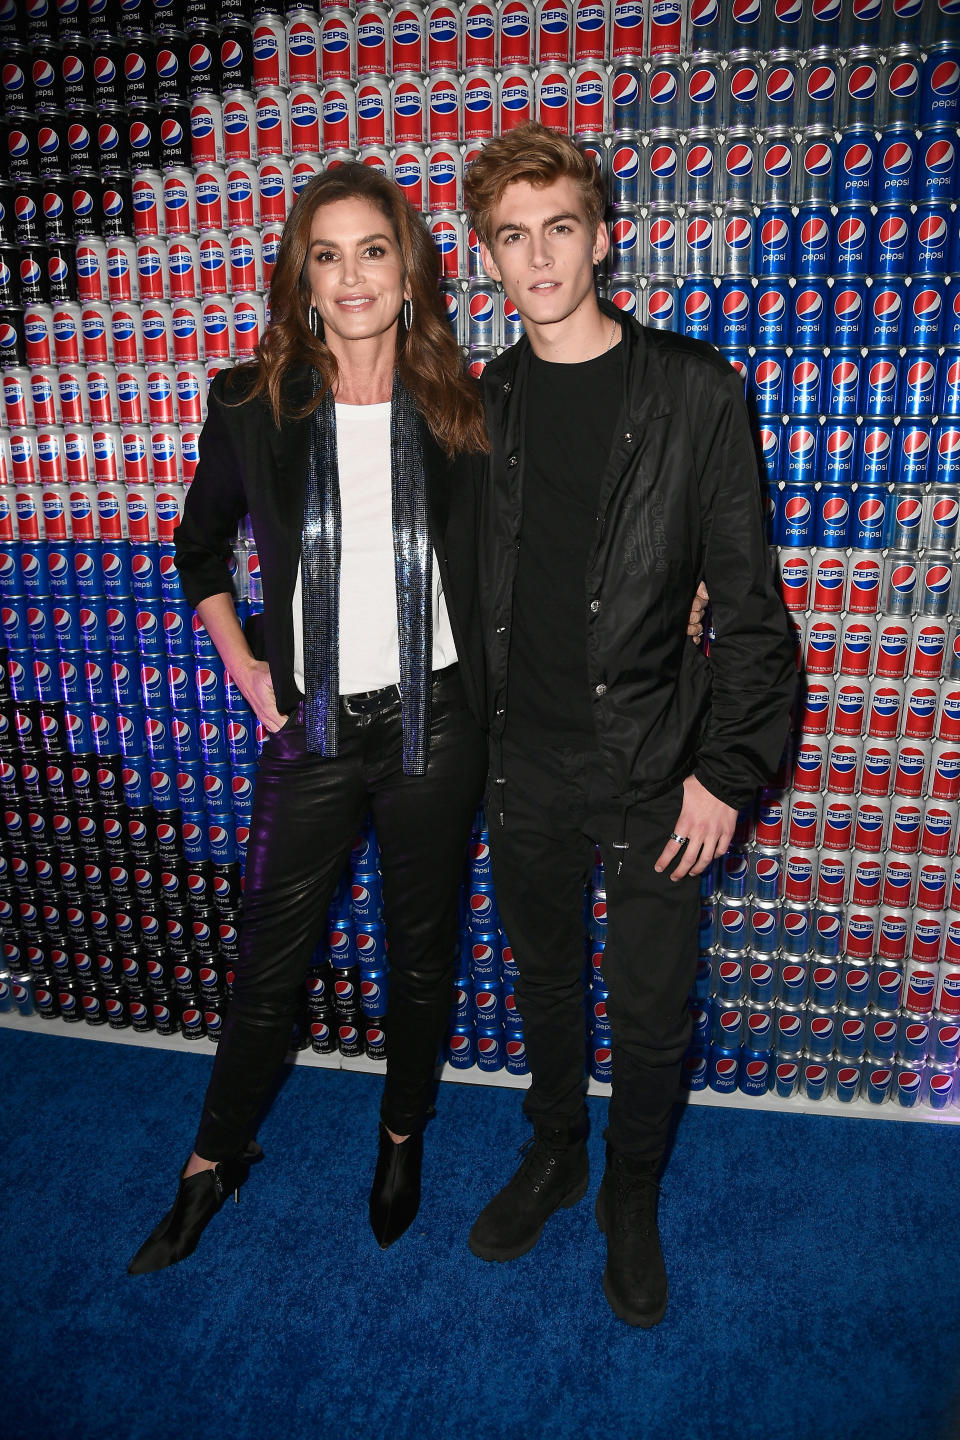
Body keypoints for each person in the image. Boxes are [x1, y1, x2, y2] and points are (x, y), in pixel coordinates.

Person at [127, 163, 490, 1273]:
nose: (351, 275)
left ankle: (399, 1137)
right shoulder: (250, 398)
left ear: (409, 265)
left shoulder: (465, 400)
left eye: (371, 249)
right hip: (316, 724)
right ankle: (212, 1160)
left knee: (420, 955)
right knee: (268, 963)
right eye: (325, 255)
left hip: (440, 722)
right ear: (302, 275)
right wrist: (245, 665)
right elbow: (199, 547)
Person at [462, 125, 796, 1327]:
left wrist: (729, 775)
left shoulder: (698, 390)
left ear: (604, 238)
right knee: (547, 984)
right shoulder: (480, 402)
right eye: (513, 236)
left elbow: (751, 606)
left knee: (655, 1015)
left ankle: (632, 1194)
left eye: (560, 227)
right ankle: (556, 1153)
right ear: (489, 258)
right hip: (525, 762)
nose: (539, 256)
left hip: (662, 765)